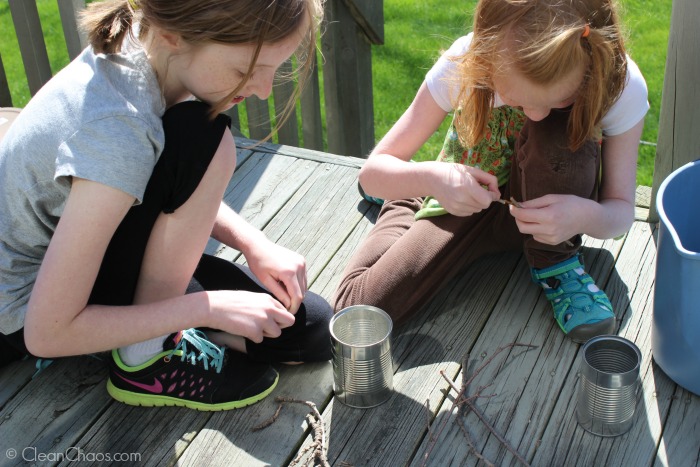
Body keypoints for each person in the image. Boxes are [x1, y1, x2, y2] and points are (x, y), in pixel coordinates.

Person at [0, 0, 333, 412]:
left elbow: (160, 183)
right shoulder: (118, 130)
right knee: (207, 139)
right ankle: (144, 358)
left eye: (272, 68)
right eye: (246, 70)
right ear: (177, 35)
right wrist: (205, 308)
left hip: (92, 254)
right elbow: (46, 332)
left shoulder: (156, 51)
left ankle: (161, 328)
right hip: (33, 306)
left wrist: (252, 242)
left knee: (312, 327)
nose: (263, 89)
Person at [334, 0, 648, 344]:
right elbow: (371, 173)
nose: (536, 114)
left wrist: (584, 216)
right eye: (514, 98)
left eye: (561, 99)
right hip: (466, 203)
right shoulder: (468, 62)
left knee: (558, 133)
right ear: (486, 59)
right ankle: (406, 199)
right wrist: (430, 179)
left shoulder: (617, 83)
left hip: (552, 227)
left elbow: (620, 212)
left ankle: (555, 263)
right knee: (359, 310)